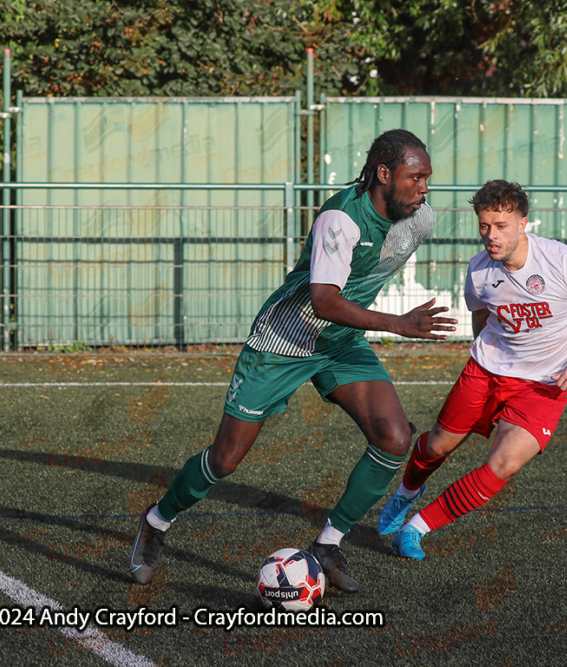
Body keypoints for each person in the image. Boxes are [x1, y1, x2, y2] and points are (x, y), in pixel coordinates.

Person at [129, 129, 457, 592]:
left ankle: (328, 544)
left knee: (394, 436)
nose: (424, 187)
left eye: (428, 177)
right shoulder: (341, 220)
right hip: (283, 342)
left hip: (341, 343)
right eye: (415, 176)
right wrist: (397, 323)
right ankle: (156, 522)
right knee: (225, 460)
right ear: (384, 174)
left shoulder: (420, 221)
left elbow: (358, 285)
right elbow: (323, 301)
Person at [377, 179, 567, 558]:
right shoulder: (479, 271)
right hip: (485, 373)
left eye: (501, 226)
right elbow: (482, 318)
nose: (491, 236)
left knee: (506, 462)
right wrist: (487, 359)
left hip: (544, 386)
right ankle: (405, 494)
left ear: (523, 223)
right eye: (484, 226)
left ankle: (416, 529)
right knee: (437, 446)